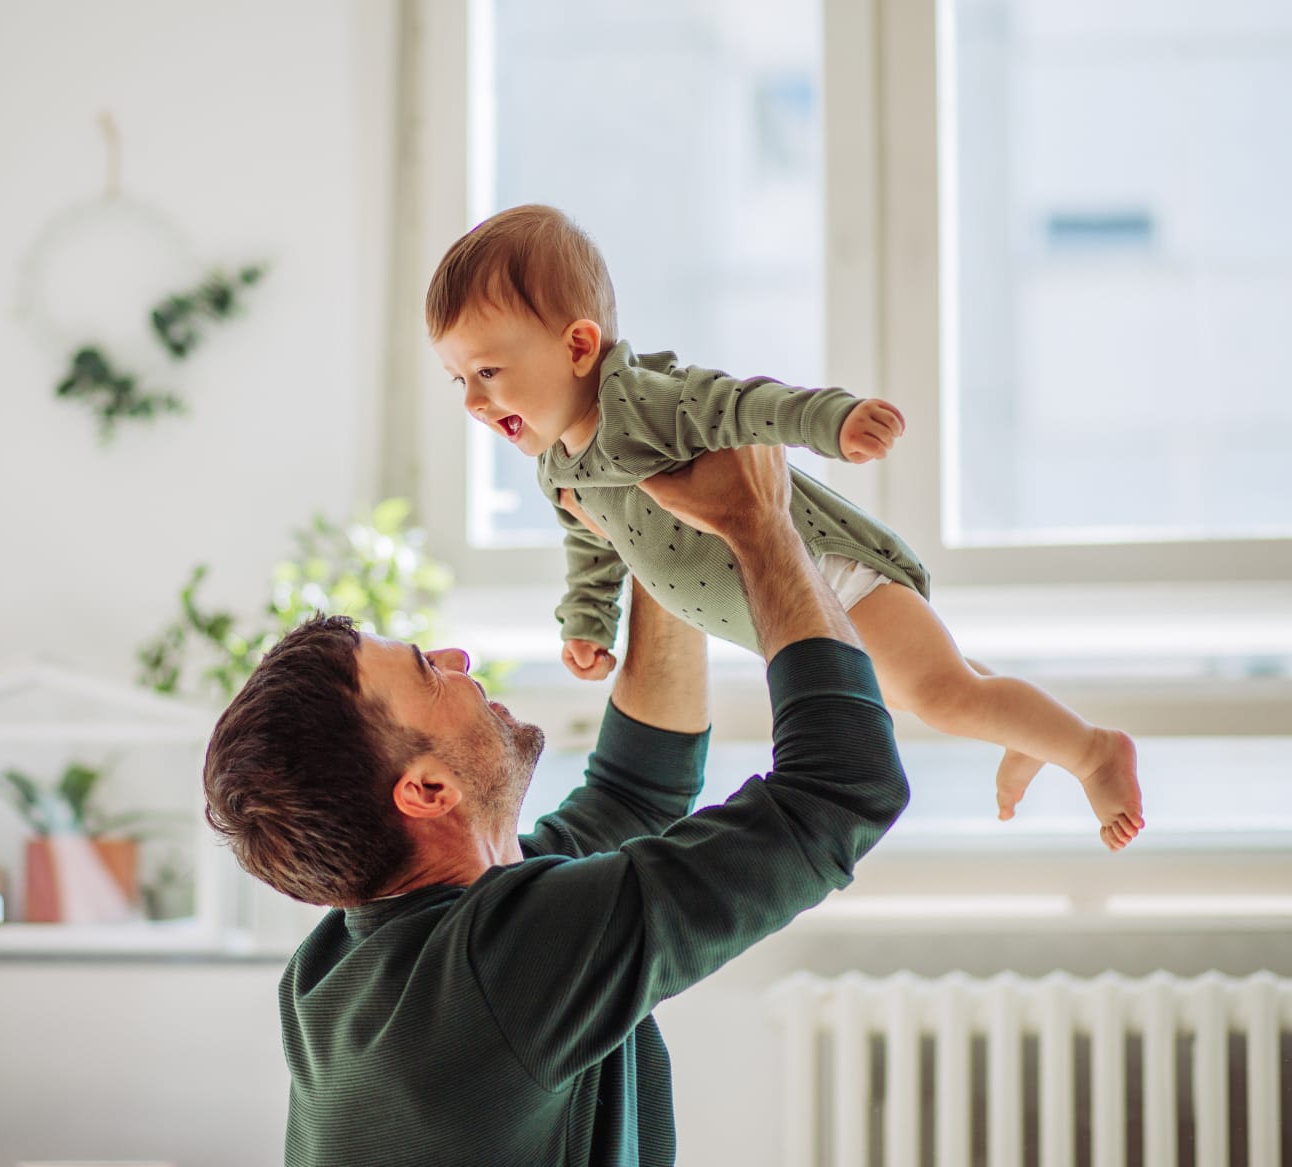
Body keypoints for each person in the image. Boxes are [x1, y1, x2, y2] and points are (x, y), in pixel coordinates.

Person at [202, 444, 909, 1167]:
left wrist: (658, 542)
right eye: (425, 669)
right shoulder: (495, 966)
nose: (456, 659)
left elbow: (635, 793)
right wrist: (760, 525)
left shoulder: (343, 962)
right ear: (425, 790)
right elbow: (844, 788)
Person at [425, 203, 1144, 852]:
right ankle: (1022, 729)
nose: (474, 401)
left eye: (489, 371)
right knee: (932, 689)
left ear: (579, 347)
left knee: (939, 695)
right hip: (783, 611)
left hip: (825, 574)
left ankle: (1091, 751)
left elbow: (742, 405)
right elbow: (591, 541)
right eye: (460, 380)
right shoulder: (556, 464)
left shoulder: (642, 402)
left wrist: (833, 421)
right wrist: (588, 617)